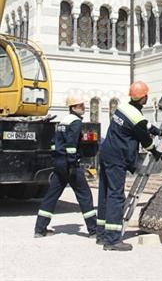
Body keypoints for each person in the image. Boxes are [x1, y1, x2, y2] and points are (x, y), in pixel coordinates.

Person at [96, 81, 162, 251]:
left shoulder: (123, 108)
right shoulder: (135, 117)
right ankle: (112, 240)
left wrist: (155, 129)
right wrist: (155, 152)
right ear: (143, 97)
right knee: (116, 195)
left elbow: (140, 123)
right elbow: (145, 138)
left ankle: (102, 234)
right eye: (146, 96)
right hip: (117, 158)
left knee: (105, 194)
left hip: (106, 153)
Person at [34, 96, 96, 238]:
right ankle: (94, 231)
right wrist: (72, 164)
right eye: (80, 105)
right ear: (73, 108)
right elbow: (71, 145)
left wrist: (57, 157)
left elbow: (53, 142)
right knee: (84, 195)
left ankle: (39, 229)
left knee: (51, 195)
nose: (83, 107)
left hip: (59, 163)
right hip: (70, 164)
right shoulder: (75, 123)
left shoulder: (63, 121)